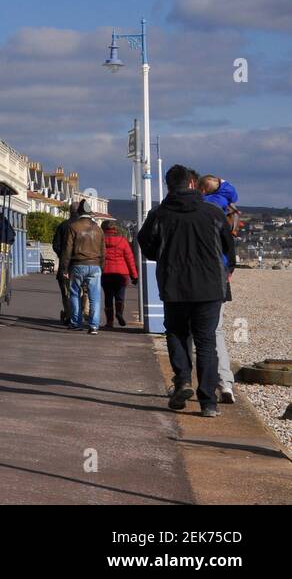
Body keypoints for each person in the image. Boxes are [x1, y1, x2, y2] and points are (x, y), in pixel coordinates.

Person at [138, 164, 235, 419]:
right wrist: (227, 270)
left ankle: (182, 382)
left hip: (174, 286)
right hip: (210, 287)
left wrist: (163, 255)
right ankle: (208, 402)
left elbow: (145, 244)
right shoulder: (213, 212)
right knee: (206, 342)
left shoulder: (159, 214)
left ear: (169, 185)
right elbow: (228, 247)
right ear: (192, 184)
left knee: (177, 334)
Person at [200, 173, 240, 404]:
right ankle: (226, 384)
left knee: (194, 334)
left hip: (198, 276)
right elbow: (230, 191)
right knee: (217, 332)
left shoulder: (203, 205)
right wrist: (222, 181)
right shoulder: (223, 203)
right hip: (220, 275)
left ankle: (191, 382)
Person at [60, 201, 105, 333]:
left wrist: (64, 268)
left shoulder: (73, 227)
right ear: (90, 214)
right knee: (94, 297)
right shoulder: (98, 229)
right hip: (95, 265)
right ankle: (94, 326)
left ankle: (76, 323)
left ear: (79, 213)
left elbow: (67, 249)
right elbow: (103, 251)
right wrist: (101, 266)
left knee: (74, 293)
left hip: (78, 264)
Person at [99, 220, 138, 328]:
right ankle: (119, 313)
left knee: (108, 297)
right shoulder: (123, 241)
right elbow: (130, 259)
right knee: (120, 297)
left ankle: (110, 322)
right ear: (116, 229)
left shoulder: (101, 241)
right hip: (121, 274)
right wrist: (134, 275)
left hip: (106, 273)